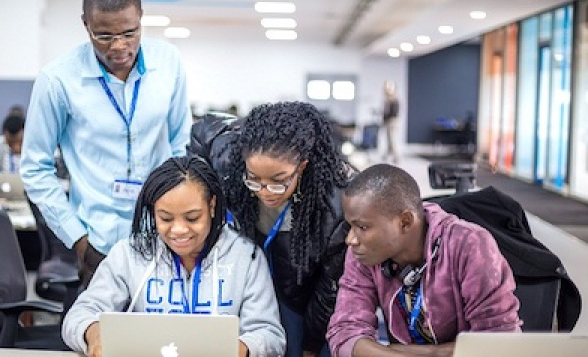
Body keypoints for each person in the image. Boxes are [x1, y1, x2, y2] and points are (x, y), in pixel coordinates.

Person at [20, 0, 192, 288]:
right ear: (85, 24)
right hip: (98, 242)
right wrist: (79, 240)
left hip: (164, 237)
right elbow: (34, 168)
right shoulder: (58, 80)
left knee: (164, 336)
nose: (119, 47)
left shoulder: (168, 63)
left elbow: (181, 145)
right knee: (101, 334)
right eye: (104, 36)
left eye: (130, 32)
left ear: (141, 17)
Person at [62, 155, 286, 357]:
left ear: (212, 206)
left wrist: (242, 348)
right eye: (166, 219)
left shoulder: (246, 257)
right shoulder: (129, 254)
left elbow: (270, 335)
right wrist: (93, 334)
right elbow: (79, 315)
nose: (179, 230)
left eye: (192, 218)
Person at [189, 101, 352, 357]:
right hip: (246, 276)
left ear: (303, 166)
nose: (264, 192)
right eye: (253, 179)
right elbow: (203, 131)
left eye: (278, 181)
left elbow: (327, 290)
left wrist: (309, 345)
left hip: (298, 289)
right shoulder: (229, 154)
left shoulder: (336, 204)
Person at [327, 163, 521, 357]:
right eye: (350, 226)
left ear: (405, 222)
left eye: (362, 227)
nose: (350, 239)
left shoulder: (470, 245)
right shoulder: (363, 253)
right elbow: (344, 334)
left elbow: (498, 344)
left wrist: (412, 352)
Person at [382, 80, 400, 162]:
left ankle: (396, 156)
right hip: (388, 121)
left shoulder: (394, 100)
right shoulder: (387, 100)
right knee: (388, 139)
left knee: (392, 139)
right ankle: (387, 154)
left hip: (392, 121)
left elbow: (393, 113)